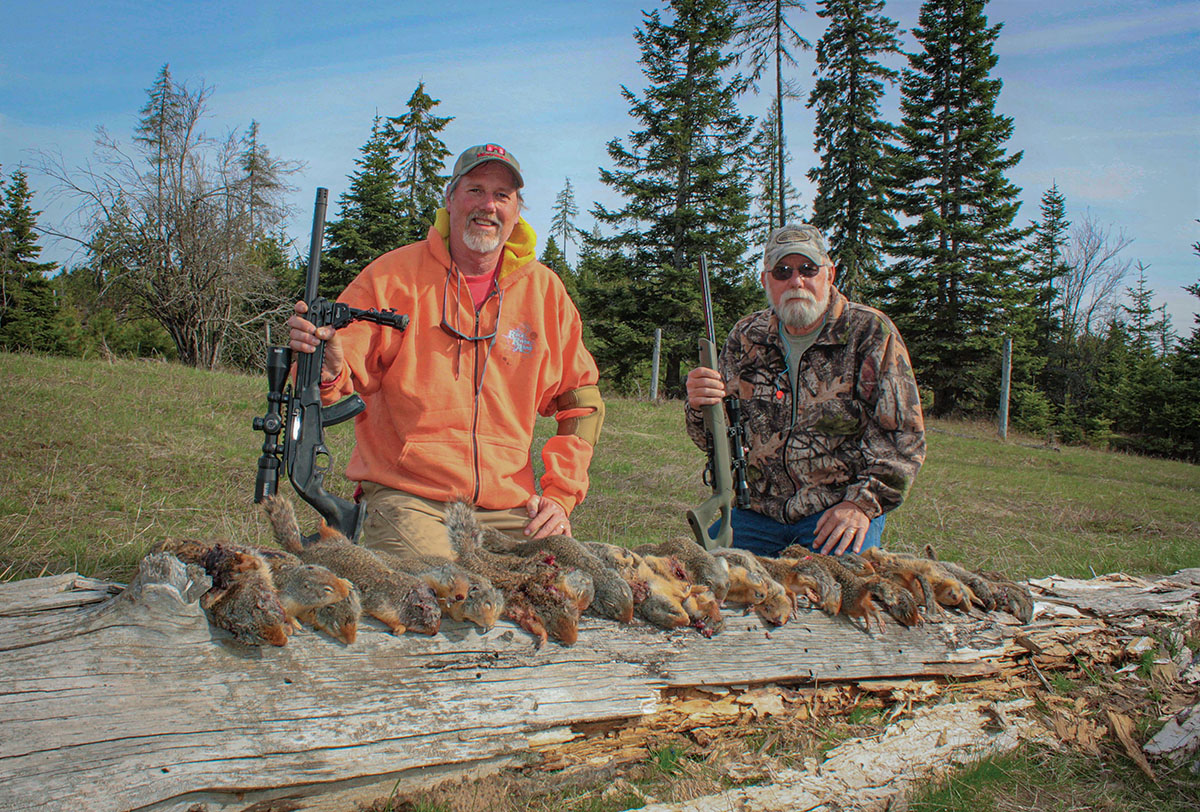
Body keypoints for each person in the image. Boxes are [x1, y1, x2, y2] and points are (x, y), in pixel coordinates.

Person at [287, 143, 604, 558]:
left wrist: (560, 497)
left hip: (510, 506)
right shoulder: (392, 277)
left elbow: (582, 402)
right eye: (474, 190)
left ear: (517, 210)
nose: (487, 205)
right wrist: (324, 362)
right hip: (410, 497)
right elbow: (332, 382)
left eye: (502, 195)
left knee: (563, 589)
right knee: (439, 595)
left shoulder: (546, 294)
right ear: (450, 199)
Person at [684, 223, 925, 557]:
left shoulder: (870, 333)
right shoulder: (746, 336)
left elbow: (904, 438)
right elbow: (712, 441)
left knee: (840, 596)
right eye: (782, 271)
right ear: (766, 280)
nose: (795, 281)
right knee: (701, 584)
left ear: (829, 273)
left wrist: (861, 505)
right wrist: (699, 404)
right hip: (757, 514)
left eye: (807, 269)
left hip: (834, 514)